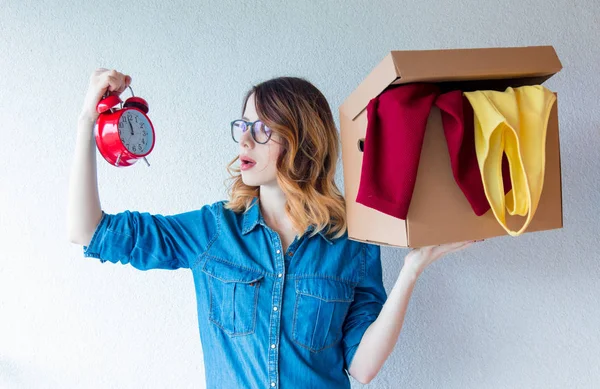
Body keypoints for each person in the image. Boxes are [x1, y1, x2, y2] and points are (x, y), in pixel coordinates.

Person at [68, 68, 477, 388]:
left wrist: (413, 268)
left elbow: (363, 367)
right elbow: (88, 232)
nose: (244, 140)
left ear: (302, 140)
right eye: (242, 126)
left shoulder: (352, 241)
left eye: (262, 129)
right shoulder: (212, 231)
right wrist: (89, 118)